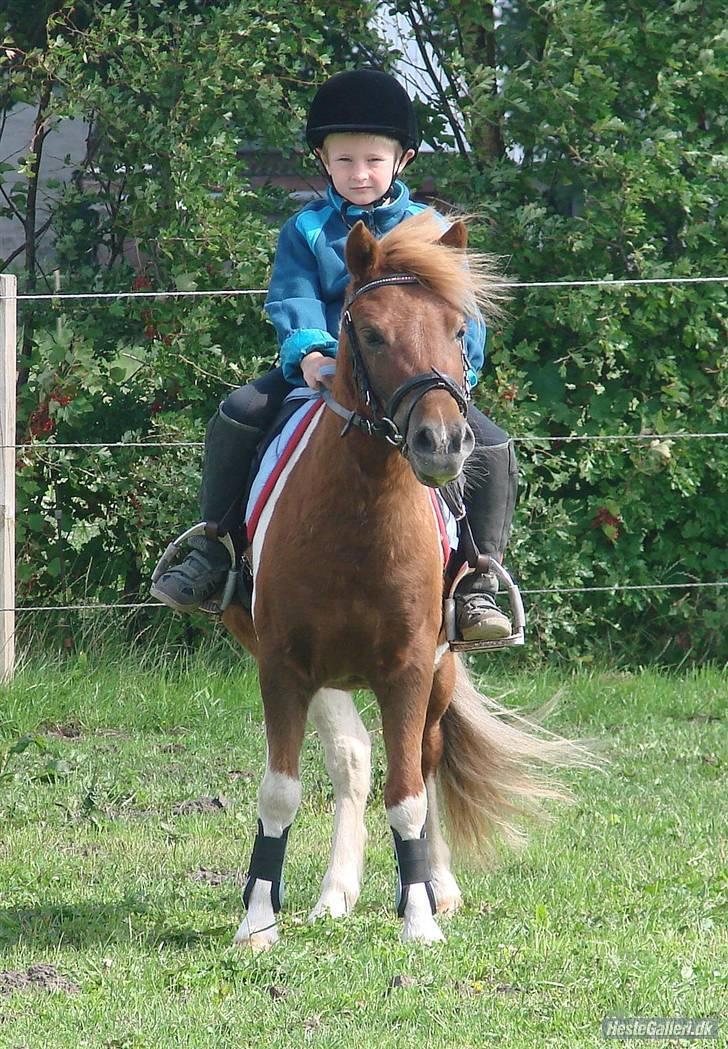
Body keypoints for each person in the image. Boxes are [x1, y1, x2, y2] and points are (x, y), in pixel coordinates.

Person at [151, 68, 518, 642]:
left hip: (410, 382)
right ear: (324, 161)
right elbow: (292, 297)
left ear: (403, 159)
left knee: (491, 445)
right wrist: (311, 356)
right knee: (239, 413)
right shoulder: (306, 229)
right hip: (321, 373)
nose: (359, 174)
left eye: (372, 160)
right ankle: (214, 548)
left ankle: (477, 580)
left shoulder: (434, 231)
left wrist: (456, 375)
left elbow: (461, 317)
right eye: (344, 161)